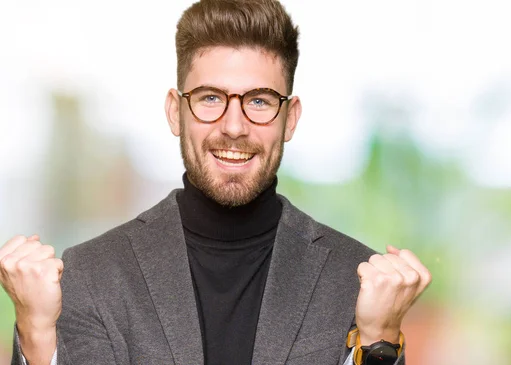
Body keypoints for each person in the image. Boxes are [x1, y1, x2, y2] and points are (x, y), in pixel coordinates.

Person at [0, 1, 431, 364]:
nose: (233, 126)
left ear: (290, 118)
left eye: (259, 101)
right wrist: (37, 333)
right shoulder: (93, 275)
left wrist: (378, 339)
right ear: (175, 111)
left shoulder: (353, 282)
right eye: (210, 98)